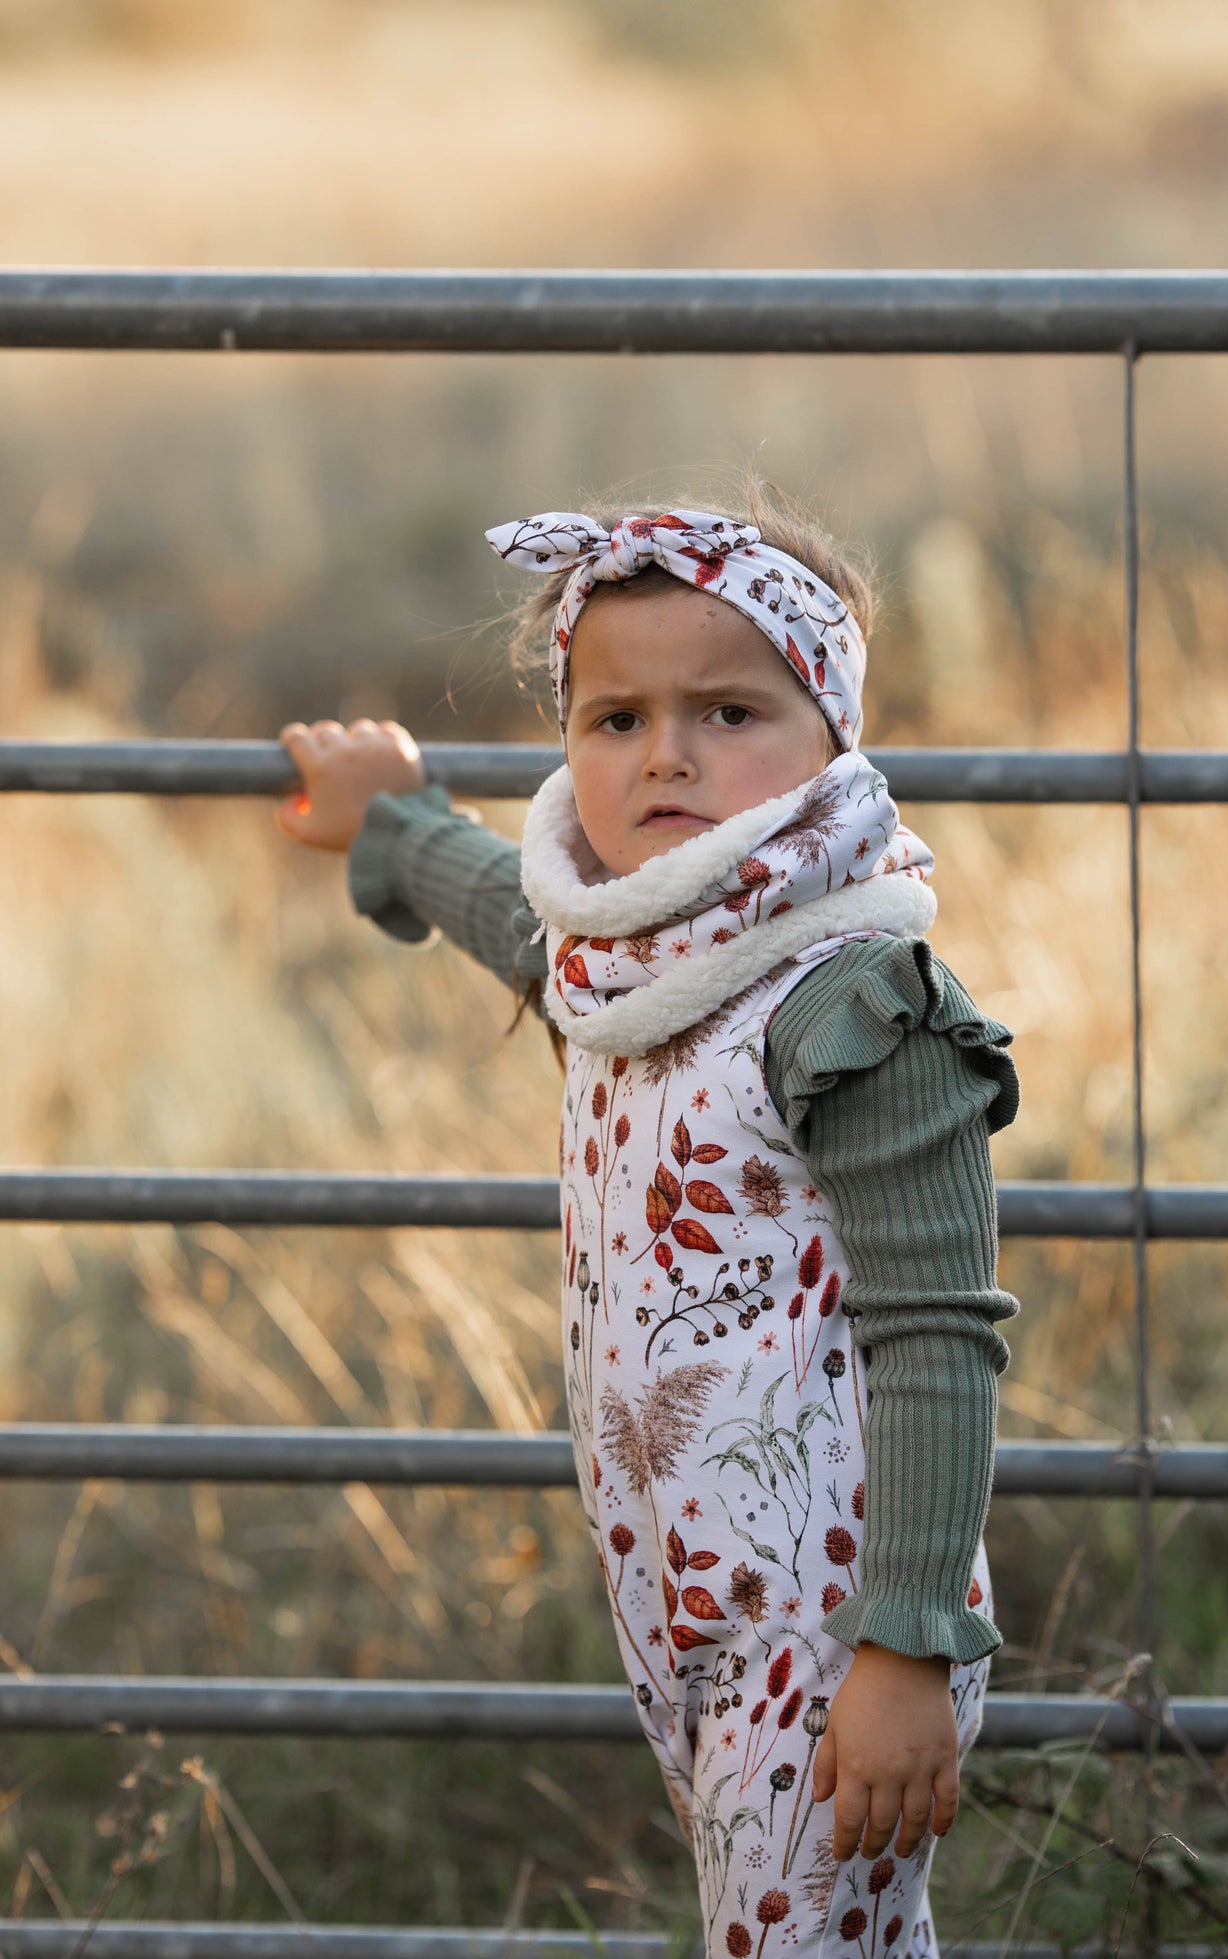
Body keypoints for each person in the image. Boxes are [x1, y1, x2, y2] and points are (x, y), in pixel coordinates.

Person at [276, 490, 1019, 1957]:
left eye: (730, 709)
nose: (666, 752)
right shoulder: (626, 963)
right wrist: (397, 823)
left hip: (834, 1617)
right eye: (614, 718)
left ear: (829, 740)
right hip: (674, 1584)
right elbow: (510, 910)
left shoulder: (851, 1001)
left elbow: (939, 1335)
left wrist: (906, 1644)